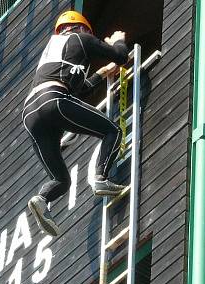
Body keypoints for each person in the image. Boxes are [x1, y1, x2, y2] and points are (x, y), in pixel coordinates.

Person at [22, 10, 129, 237]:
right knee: (113, 132)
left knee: (61, 179)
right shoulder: (81, 38)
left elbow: (81, 89)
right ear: (82, 28)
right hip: (53, 99)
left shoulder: (52, 53)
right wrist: (118, 41)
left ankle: (41, 199)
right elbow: (121, 56)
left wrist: (101, 73)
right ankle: (100, 178)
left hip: (30, 114)